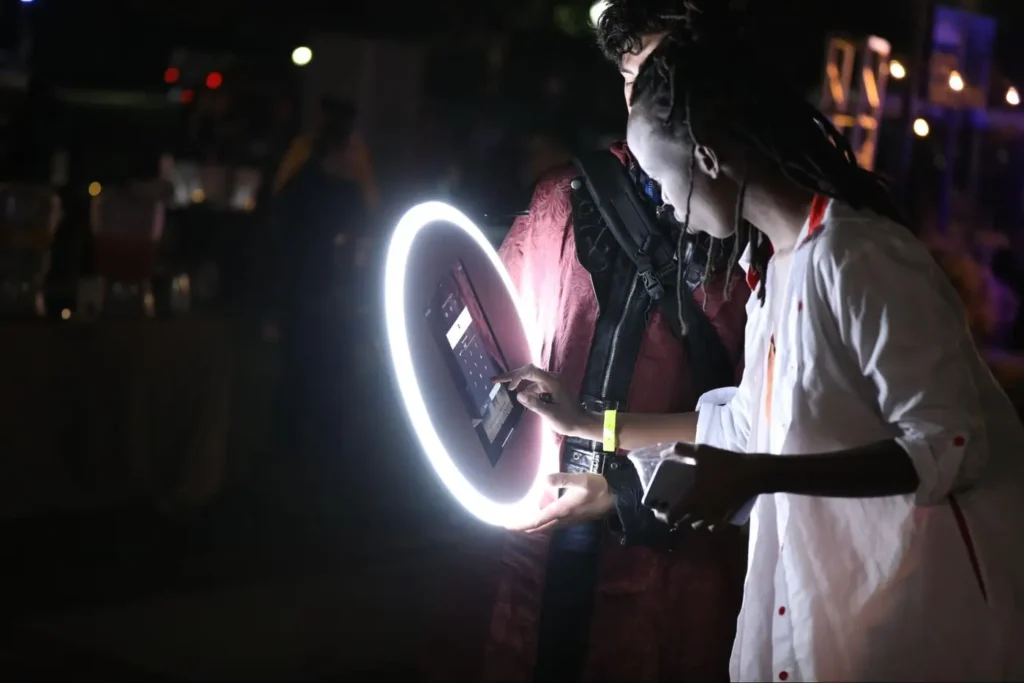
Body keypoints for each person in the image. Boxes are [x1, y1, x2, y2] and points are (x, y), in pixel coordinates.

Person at [500, 19, 1024, 682]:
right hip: (821, 624)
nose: (662, 202)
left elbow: (949, 443)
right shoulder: (772, 271)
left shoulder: (859, 257)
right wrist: (588, 425)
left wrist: (759, 475)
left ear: (710, 160)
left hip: (903, 628)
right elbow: (749, 425)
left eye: (662, 182)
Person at [420, 2, 749, 681]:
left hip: (673, 576)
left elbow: (770, 430)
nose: (644, 98)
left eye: (662, 73)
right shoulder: (559, 200)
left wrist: (626, 491)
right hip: (538, 552)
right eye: (632, 75)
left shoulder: (748, 225)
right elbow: (499, 365)